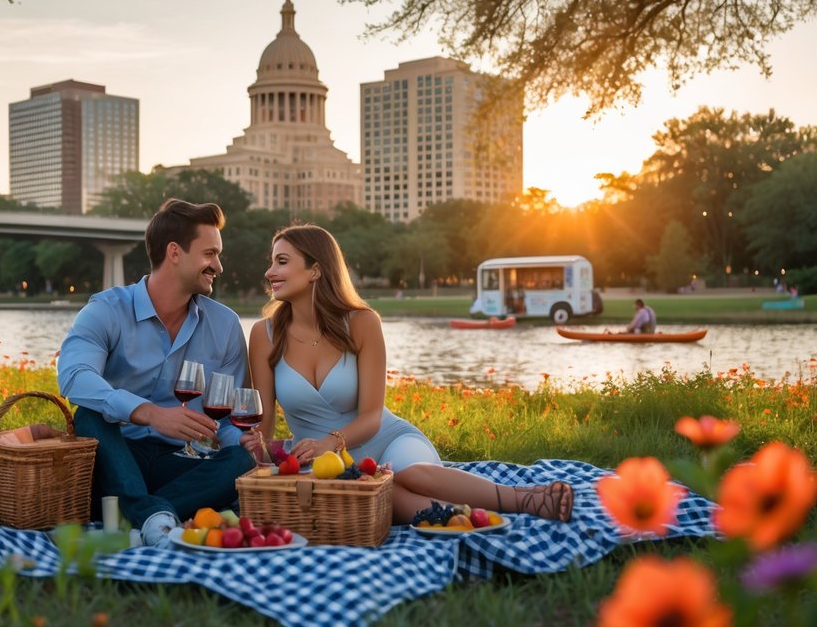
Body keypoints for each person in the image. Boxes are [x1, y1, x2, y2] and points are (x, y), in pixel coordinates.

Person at [242, 224, 573, 525]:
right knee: (381, 494)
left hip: (386, 440)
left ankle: (523, 499)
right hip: (326, 468)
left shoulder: (361, 323)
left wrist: (330, 442)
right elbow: (266, 426)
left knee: (405, 474)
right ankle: (463, 518)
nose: (270, 271)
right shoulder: (264, 334)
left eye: (282, 261)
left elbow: (372, 416)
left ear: (315, 269)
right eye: (271, 262)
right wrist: (257, 447)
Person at [57, 199, 254, 547]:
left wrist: (245, 444)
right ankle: (156, 517)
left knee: (238, 460)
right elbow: (74, 376)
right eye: (210, 254)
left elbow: (226, 423)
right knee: (91, 414)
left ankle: (139, 518)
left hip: (179, 462)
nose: (218, 266)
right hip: (116, 455)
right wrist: (148, 413)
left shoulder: (224, 325)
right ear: (175, 252)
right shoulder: (106, 309)